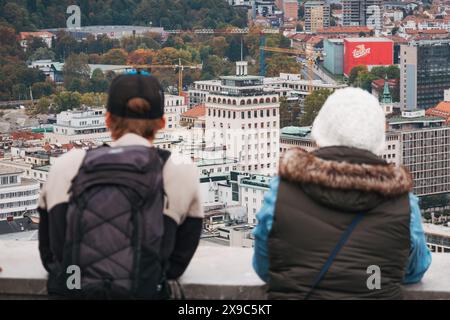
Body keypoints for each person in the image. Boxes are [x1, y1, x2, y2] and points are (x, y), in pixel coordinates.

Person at [253, 87, 432, 300]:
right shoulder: (403, 203)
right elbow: (415, 271)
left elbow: (265, 267)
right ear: (379, 145)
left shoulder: (281, 193)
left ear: (318, 136)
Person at [38, 72, 203, 299]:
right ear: (162, 123)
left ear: (107, 119)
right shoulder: (180, 169)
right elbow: (177, 263)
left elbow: (51, 254)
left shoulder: (67, 164)